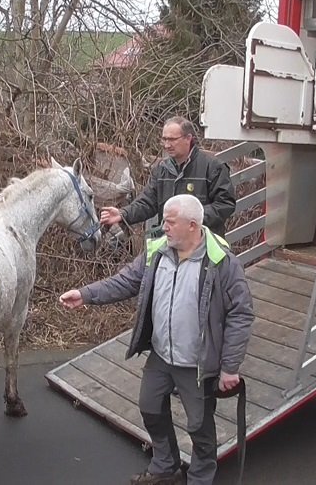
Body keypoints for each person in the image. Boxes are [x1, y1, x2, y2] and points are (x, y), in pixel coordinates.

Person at [61, 195, 254, 485]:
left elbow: (241, 313)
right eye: (163, 220)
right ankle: (166, 465)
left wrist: (230, 367)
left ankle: (201, 478)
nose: (163, 227)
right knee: (150, 407)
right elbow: (125, 282)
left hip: (197, 363)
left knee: (200, 426)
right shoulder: (157, 252)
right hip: (162, 357)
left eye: (169, 221)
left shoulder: (221, 262)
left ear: (192, 225)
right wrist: (86, 294)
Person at [99, 116, 236, 238]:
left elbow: (225, 204)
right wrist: (123, 214)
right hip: (170, 244)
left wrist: (189, 219)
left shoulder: (212, 167)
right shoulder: (161, 169)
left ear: (188, 138)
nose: (166, 145)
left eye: (172, 139)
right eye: (164, 139)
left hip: (202, 244)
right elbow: (147, 203)